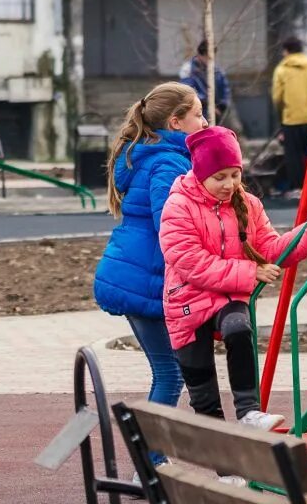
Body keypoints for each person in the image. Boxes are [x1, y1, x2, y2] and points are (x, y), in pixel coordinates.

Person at [160, 126, 307, 430]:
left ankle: (249, 411)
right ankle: (227, 476)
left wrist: (306, 235)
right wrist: (251, 272)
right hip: (188, 302)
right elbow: (190, 263)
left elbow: (269, 249)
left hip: (227, 295)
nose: (229, 184)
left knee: (238, 327)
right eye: (220, 177)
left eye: (235, 175)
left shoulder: (248, 204)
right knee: (204, 397)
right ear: (200, 175)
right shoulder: (178, 205)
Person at [93, 83, 205, 410]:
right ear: (175, 122)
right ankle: (150, 458)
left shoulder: (149, 155)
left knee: (166, 373)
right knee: (170, 375)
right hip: (146, 277)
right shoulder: (169, 163)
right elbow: (169, 223)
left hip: (133, 271)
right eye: (197, 115)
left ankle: (150, 455)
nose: (204, 121)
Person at [270, 36, 307, 198]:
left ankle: (298, 188)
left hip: (292, 119)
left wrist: (281, 115)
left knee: (293, 156)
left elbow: (277, 98)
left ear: (286, 51)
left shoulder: (282, 70)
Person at [181, 40, 233, 124]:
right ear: (200, 55)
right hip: (199, 112)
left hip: (217, 113)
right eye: (208, 57)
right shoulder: (188, 70)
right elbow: (188, 91)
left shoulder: (217, 71)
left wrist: (221, 107)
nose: (210, 61)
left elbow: (225, 91)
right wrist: (209, 105)